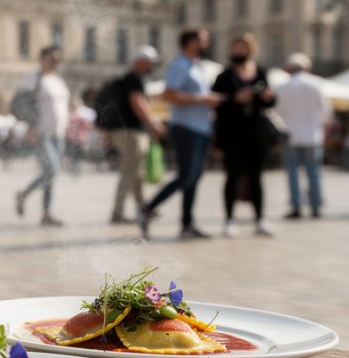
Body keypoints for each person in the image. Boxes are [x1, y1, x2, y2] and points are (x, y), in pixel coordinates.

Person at [139, 29, 223, 240]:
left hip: (200, 128)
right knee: (186, 176)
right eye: (204, 39)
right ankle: (147, 209)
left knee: (193, 178)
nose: (208, 42)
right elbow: (168, 94)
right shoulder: (179, 65)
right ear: (192, 42)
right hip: (185, 127)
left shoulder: (197, 66)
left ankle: (187, 224)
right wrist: (202, 100)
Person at [211, 33, 275, 237]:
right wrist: (234, 98)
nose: (238, 52)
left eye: (242, 48)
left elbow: (270, 102)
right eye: (235, 48)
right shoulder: (225, 75)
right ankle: (229, 219)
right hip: (232, 133)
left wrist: (268, 97)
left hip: (256, 132)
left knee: (256, 176)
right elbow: (216, 102)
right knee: (232, 175)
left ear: (250, 49)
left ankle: (260, 219)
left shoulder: (261, 72)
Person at [108, 46, 167, 224]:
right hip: (131, 132)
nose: (152, 66)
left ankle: (143, 208)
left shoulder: (130, 79)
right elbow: (138, 104)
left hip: (128, 131)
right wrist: (154, 124)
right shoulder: (134, 79)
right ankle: (117, 213)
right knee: (129, 171)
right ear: (141, 61)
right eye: (151, 62)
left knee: (136, 173)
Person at [15, 46, 70, 226]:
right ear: (42, 59)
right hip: (42, 132)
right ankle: (25, 194)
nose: (56, 62)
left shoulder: (58, 80)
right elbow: (21, 103)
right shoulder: (34, 79)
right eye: (53, 59)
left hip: (58, 134)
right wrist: (31, 126)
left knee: (50, 173)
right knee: (52, 169)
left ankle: (46, 213)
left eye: (58, 59)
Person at [275, 53, 332, 220]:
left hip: (290, 135)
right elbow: (326, 112)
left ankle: (296, 206)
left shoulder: (282, 86)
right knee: (314, 172)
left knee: (292, 172)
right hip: (312, 135)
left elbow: (277, 112)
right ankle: (315, 206)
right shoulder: (316, 84)